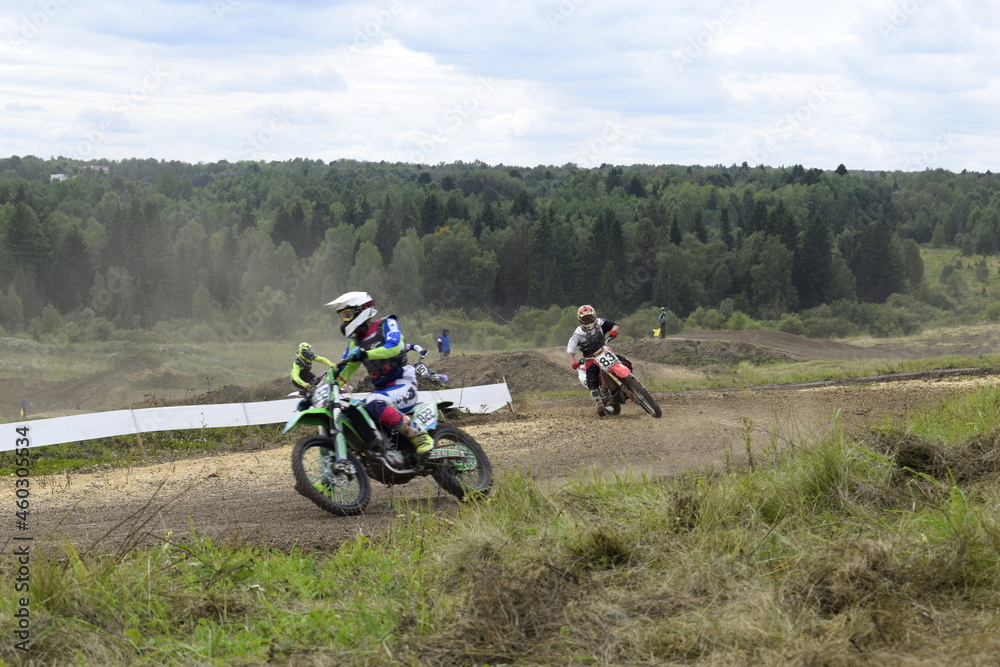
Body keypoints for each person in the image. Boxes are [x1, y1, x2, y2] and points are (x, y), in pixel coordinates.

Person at [325, 291, 434, 457]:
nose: (344, 321)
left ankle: (419, 436)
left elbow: (394, 347)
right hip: (381, 392)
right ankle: (381, 450)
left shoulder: (386, 324)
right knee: (353, 411)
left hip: (403, 384)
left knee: (374, 404)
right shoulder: (355, 343)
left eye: (347, 315)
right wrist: (317, 391)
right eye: (342, 317)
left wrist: (366, 354)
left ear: (361, 310)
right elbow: (343, 373)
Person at [566, 304, 631, 412]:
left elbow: (615, 325)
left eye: (589, 317)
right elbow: (570, 349)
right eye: (585, 318)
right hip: (590, 358)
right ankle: (598, 402)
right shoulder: (578, 334)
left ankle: (630, 381)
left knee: (625, 361)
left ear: (594, 315)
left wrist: (613, 331)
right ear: (580, 319)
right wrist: (573, 362)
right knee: (591, 376)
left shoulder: (600, 323)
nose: (588, 320)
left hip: (604, 351)